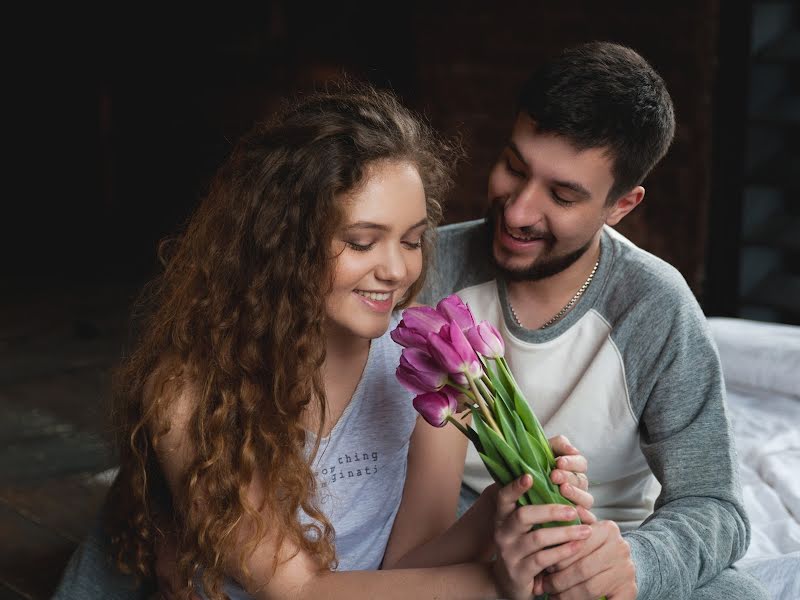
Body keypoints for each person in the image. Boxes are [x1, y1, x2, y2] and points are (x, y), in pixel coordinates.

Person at [52, 81, 596, 600]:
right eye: (362, 242)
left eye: (411, 241)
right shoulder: (192, 396)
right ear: (283, 244)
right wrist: (500, 585)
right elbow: (298, 591)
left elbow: (410, 570)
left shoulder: (431, 370)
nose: (396, 269)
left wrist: (506, 508)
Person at [419, 41, 770, 599]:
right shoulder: (425, 272)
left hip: (604, 551)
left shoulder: (654, 305)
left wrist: (635, 563)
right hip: (468, 553)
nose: (517, 212)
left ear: (620, 206)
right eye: (514, 167)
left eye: (562, 195)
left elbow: (714, 504)